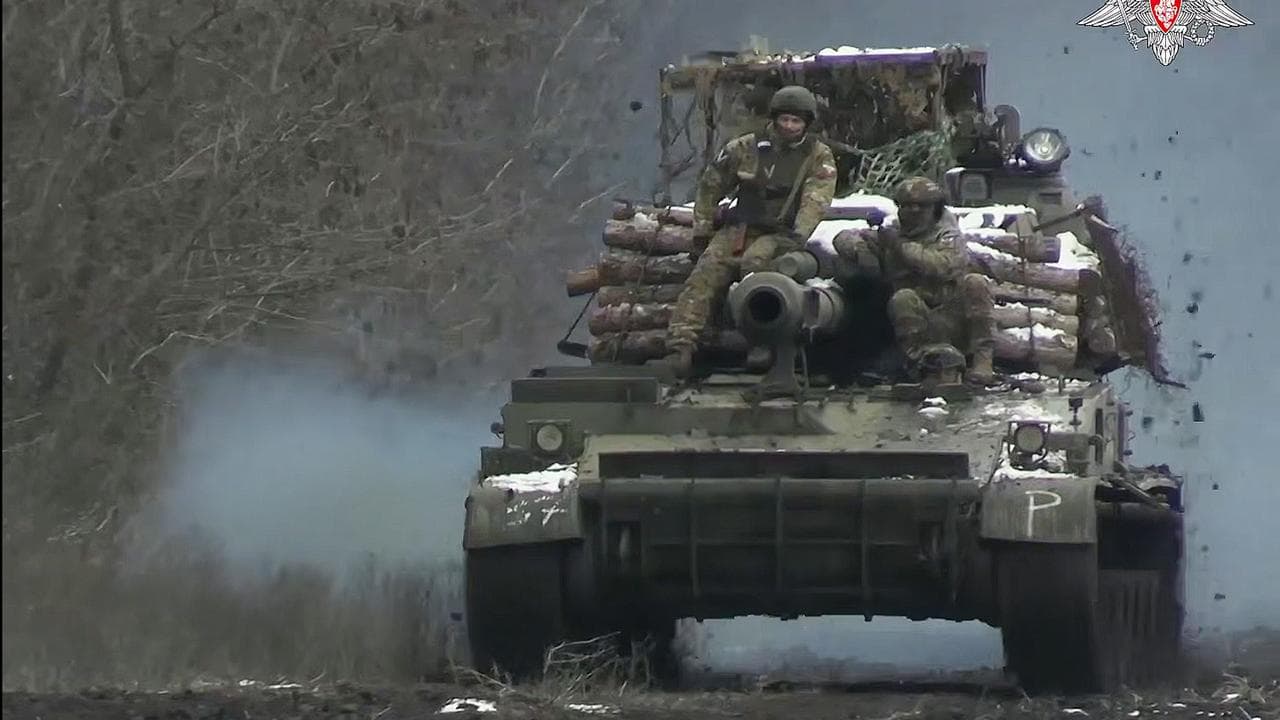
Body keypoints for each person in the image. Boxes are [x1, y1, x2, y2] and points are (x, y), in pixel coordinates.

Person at [663, 85, 838, 377]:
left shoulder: (817, 156)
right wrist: (702, 228)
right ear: (775, 118)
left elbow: (817, 198)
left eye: (796, 121)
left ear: (806, 123)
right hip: (740, 227)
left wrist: (798, 234)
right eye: (784, 120)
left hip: (780, 233)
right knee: (705, 274)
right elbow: (711, 184)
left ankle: (761, 342)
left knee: (755, 268)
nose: (789, 127)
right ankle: (680, 344)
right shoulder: (746, 147)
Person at [834, 176, 997, 385]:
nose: (914, 212)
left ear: (935, 209)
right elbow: (841, 238)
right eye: (907, 206)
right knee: (902, 297)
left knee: (975, 282)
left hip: (954, 317)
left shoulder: (948, 235)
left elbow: (942, 265)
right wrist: (861, 250)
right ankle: (919, 364)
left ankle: (983, 361)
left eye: (921, 206)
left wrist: (901, 247)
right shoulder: (893, 233)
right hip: (916, 319)